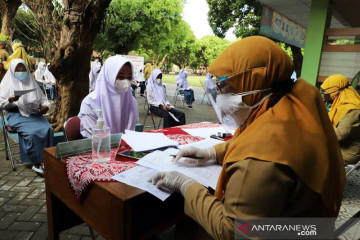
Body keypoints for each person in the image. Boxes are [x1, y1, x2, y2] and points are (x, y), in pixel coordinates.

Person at [149, 36, 345, 239]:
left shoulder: (259, 155)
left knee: (186, 228)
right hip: (310, 228)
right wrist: (210, 152)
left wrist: (187, 186)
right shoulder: (293, 104)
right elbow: (247, 138)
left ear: (253, 83)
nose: (219, 94)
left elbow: (234, 232)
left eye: (224, 86)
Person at [0, 59, 53, 176]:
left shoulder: (31, 82)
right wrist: (9, 100)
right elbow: (0, 104)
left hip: (33, 113)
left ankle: (47, 160)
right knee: (32, 133)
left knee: (48, 129)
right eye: (17, 70)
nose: (20, 72)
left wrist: (46, 107)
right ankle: (38, 162)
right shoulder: (5, 84)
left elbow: (44, 100)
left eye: (22, 69)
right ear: (12, 71)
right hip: (16, 114)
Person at [78, 55, 139, 138]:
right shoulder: (90, 103)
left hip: (127, 148)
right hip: (100, 149)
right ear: (109, 76)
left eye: (129, 77)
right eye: (120, 76)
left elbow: (132, 134)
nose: (125, 81)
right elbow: (93, 139)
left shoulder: (131, 102)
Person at [321, 74, 360, 165]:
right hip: (338, 146)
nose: (323, 95)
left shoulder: (351, 110)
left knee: (313, 155)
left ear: (334, 91)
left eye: (325, 92)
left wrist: (321, 120)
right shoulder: (339, 104)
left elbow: (339, 136)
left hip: (348, 151)